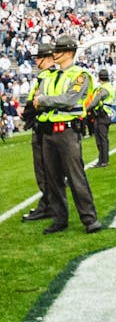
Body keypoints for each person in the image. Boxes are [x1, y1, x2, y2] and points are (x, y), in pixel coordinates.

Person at [32, 34, 102, 234]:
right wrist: (46, 100)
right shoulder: (50, 75)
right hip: (48, 133)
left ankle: (90, 219)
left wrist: (44, 100)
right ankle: (59, 218)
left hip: (67, 132)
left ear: (69, 52)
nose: (54, 54)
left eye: (58, 51)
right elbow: (41, 98)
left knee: (75, 176)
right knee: (53, 179)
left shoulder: (80, 75)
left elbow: (70, 99)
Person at [20, 42, 58, 221]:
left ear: (48, 58)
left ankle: (49, 206)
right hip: (50, 127)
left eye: (39, 57)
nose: (37, 60)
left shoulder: (45, 76)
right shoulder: (55, 75)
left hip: (42, 127)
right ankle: (50, 204)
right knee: (50, 169)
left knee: (43, 169)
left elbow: (36, 102)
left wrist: (26, 114)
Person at [88, 68, 115, 167]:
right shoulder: (109, 87)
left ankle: (103, 161)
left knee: (101, 139)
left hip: (101, 115)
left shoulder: (103, 89)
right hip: (104, 115)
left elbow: (96, 100)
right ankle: (102, 160)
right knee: (102, 139)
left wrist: (86, 109)